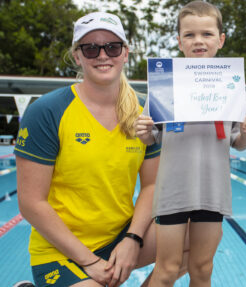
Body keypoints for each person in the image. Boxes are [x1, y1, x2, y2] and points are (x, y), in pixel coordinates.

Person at [14, 12, 185, 287]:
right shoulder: (47, 111)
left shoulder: (147, 111)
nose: (102, 55)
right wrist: (90, 262)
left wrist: (133, 239)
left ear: (125, 53)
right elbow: (32, 203)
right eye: (91, 48)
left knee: (193, 236)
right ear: (78, 56)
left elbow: (152, 185)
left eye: (112, 47)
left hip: (120, 237)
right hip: (61, 250)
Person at [134, 2, 246, 286]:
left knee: (202, 268)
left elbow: (238, 143)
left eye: (206, 33)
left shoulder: (232, 86)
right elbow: (150, 138)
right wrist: (143, 130)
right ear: (179, 41)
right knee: (167, 270)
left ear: (221, 39)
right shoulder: (165, 83)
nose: (198, 41)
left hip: (211, 191)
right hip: (172, 191)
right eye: (190, 35)